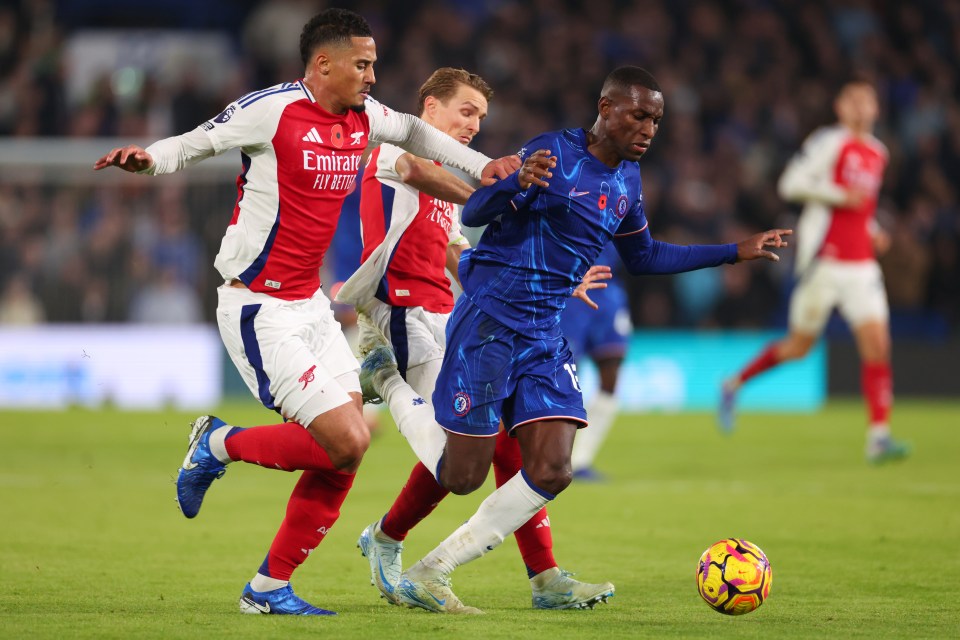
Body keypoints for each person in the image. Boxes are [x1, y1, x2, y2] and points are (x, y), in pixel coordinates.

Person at [93, 8, 518, 617]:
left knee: (346, 453)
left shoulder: (366, 118)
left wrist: (484, 168)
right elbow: (199, 141)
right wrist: (149, 160)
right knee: (345, 439)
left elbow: (416, 135)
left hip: (311, 306)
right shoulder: (273, 109)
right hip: (258, 305)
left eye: (374, 64)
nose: (373, 76)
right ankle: (217, 442)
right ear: (324, 63)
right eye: (363, 64)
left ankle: (267, 590)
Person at [359, 65, 791, 613]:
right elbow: (476, 210)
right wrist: (514, 182)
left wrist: (732, 250)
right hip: (490, 322)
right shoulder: (553, 153)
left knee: (553, 468)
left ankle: (435, 569)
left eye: (656, 119)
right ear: (606, 109)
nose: (648, 129)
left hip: (544, 333)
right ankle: (386, 380)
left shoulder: (627, 182)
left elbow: (645, 255)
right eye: (638, 115)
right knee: (463, 474)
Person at [336, 67, 614, 613]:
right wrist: (492, 190)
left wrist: (549, 278)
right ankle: (384, 392)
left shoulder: (445, 190)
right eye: (465, 111)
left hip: (453, 317)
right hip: (406, 316)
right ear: (429, 109)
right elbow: (416, 166)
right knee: (463, 456)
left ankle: (545, 576)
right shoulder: (391, 151)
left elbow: (463, 257)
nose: (473, 125)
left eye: (480, 118)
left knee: (508, 439)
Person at [718, 79, 910, 464]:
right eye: (852, 99)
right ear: (840, 107)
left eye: (867, 100)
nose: (860, 107)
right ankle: (733, 384)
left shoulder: (878, 152)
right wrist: (837, 194)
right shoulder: (829, 142)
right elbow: (790, 184)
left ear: (876, 108)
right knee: (798, 346)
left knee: (878, 345)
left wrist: (873, 231)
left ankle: (878, 436)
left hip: (861, 266)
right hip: (824, 261)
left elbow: (862, 209)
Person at [560, 242, 631, 482]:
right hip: (570, 289)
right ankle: (555, 456)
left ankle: (580, 461)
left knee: (612, 376)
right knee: (562, 376)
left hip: (608, 289)